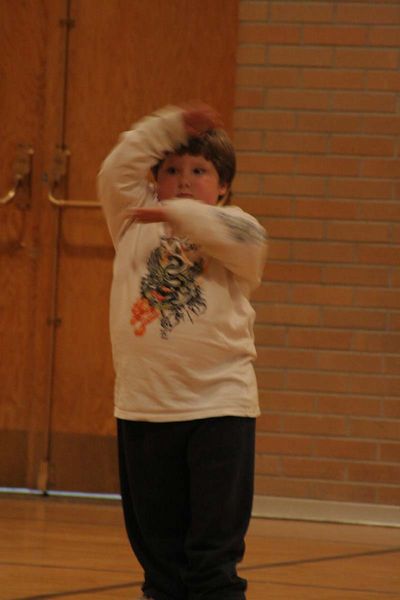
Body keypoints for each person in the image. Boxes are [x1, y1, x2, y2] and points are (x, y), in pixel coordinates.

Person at [98, 103, 267, 600]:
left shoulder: (238, 228)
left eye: (199, 171)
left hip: (219, 410)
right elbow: (115, 168)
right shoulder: (132, 226)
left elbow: (225, 231)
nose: (185, 181)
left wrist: (175, 209)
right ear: (154, 180)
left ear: (225, 186)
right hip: (144, 410)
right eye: (171, 172)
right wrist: (170, 128)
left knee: (212, 561)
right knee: (160, 562)